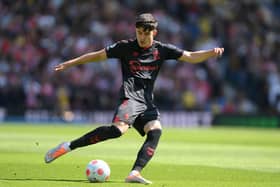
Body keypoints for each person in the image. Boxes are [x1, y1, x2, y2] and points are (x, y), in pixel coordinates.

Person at [45, 13, 224, 184]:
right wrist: (70, 63)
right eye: (139, 33)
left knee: (155, 131)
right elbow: (97, 55)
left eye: (145, 34)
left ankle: (134, 172)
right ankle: (68, 146)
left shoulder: (162, 50)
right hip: (130, 98)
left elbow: (191, 56)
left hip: (146, 102)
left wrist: (211, 52)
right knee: (117, 131)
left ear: (154, 32)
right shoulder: (125, 47)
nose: (142, 37)